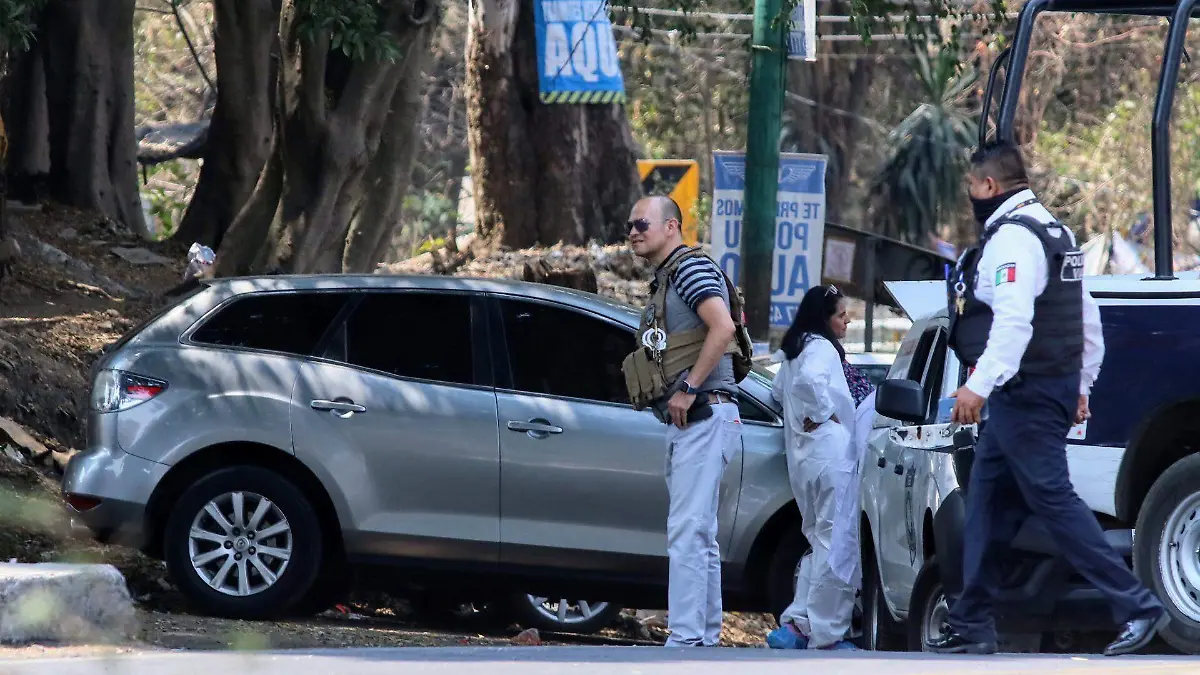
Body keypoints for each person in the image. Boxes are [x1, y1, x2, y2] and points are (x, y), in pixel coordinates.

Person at [928, 142, 1166, 656]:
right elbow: (1087, 319)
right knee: (987, 507)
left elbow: (1013, 322)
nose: (970, 197)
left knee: (1053, 500)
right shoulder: (1056, 233)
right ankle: (971, 622)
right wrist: (1081, 385)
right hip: (1042, 390)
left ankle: (1138, 605)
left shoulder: (1011, 241)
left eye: (972, 187)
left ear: (989, 186)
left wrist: (978, 385)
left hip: (1025, 392)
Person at [624, 195, 748, 647]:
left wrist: (689, 387)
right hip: (698, 420)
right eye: (630, 226)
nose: (634, 232)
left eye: (642, 223)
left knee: (688, 531)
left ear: (672, 226)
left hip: (704, 411)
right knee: (699, 533)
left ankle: (686, 641)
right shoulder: (668, 277)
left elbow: (723, 327)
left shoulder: (691, 270)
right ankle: (703, 638)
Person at [764, 284, 860, 651]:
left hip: (803, 462)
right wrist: (823, 415)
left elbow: (776, 394)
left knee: (818, 543)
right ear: (824, 319)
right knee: (836, 544)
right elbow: (808, 383)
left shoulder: (794, 350)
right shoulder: (820, 348)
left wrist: (803, 414)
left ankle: (797, 625)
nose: (848, 319)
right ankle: (827, 634)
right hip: (830, 456)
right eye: (841, 314)